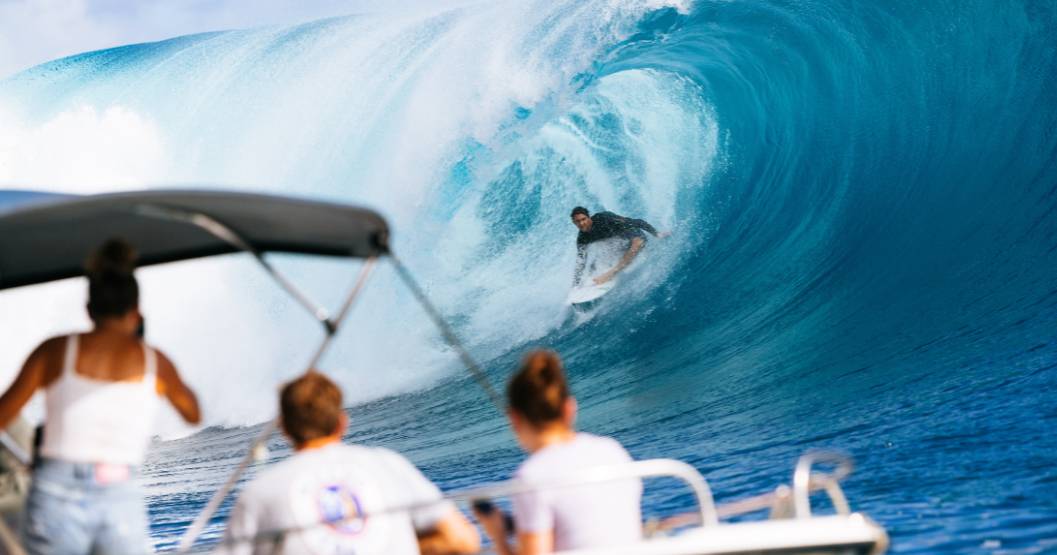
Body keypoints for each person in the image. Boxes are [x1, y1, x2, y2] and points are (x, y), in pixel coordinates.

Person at [0, 238, 202, 555]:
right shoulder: (153, 361)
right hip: (117, 487)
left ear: (89, 308)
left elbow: (2, 414)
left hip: (56, 488)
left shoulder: (54, 351)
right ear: (136, 311)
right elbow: (193, 413)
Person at [220, 371, 479, 555]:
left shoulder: (259, 491)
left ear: (284, 429)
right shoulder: (389, 464)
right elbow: (463, 540)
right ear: (342, 422)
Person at [474, 350, 641, 555]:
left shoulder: (531, 477)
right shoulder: (612, 449)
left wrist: (497, 534)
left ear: (515, 419)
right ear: (569, 408)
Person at [570, 207, 669, 286]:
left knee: (638, 243)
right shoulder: (582, 238)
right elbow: (581, 261)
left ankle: (611, 273)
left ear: (589, 217)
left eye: (583, 219)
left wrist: (657, 234)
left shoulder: (604, 220)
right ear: (574, 223)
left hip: (633, 235)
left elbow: (637, 222)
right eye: (578, 221)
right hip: (619, 244)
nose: (581, 223)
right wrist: (574, 285)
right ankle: (589, 281)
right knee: (594, 265)